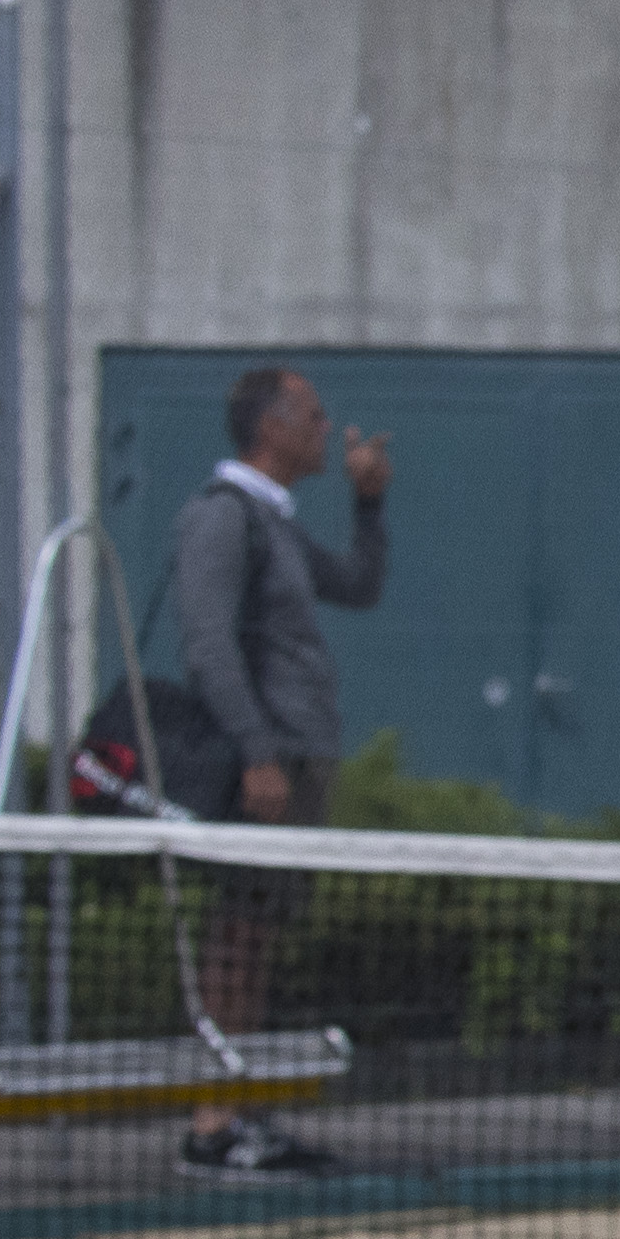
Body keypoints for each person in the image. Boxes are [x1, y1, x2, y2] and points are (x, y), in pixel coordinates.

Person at [173, 363, 390, 1183]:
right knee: (236, 937)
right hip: (260, 766)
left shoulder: (278, 524)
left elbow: (359, 586)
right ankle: (211, 1123)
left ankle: (239, 1110)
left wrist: (369, 503)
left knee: (258, 939)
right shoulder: (222, 516)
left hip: (300, 757)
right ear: (271, 427)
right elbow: (207, 643)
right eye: (313, 416)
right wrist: (257, 752)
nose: (327, 430)